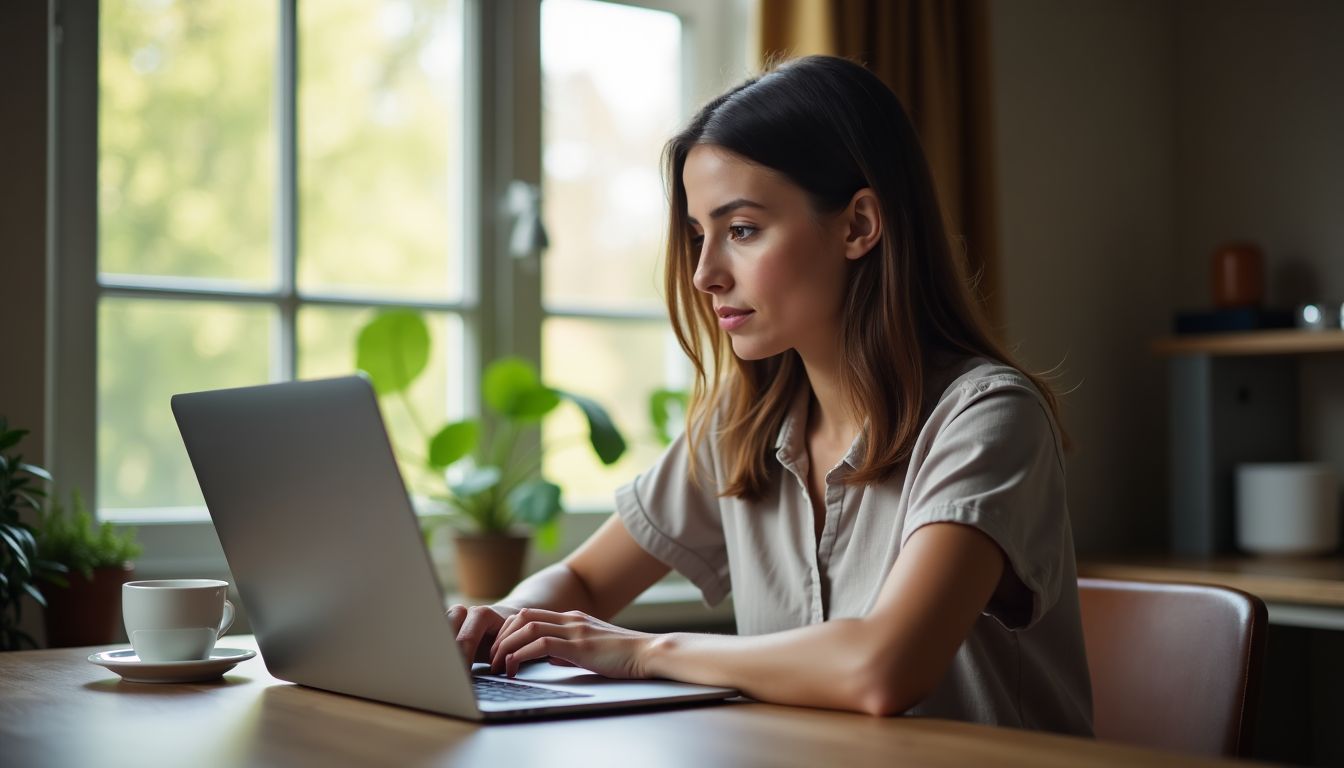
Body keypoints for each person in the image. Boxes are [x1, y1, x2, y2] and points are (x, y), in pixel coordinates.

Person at [447, 55, 1093, 736]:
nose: (704, 274)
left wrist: (643, 651)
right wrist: (507, 615)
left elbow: (884, 667)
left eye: (742, 230)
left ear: (858, 226)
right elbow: (580, 580)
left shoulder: (987, 418)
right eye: (699, 235)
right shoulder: (744, 425)